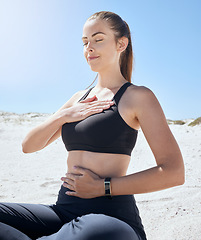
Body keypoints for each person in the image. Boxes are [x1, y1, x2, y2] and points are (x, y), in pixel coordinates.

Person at [0, 11, 185, 240]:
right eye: (85, 42)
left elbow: (174, 172)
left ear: (121, 44)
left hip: (109, 216)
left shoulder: (138, 96)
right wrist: (65, 115)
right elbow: (28, 145)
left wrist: (103, 187)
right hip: (64, 209)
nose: (89, 47)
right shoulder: (78, 98)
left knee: (88, 233)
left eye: (98, 39)